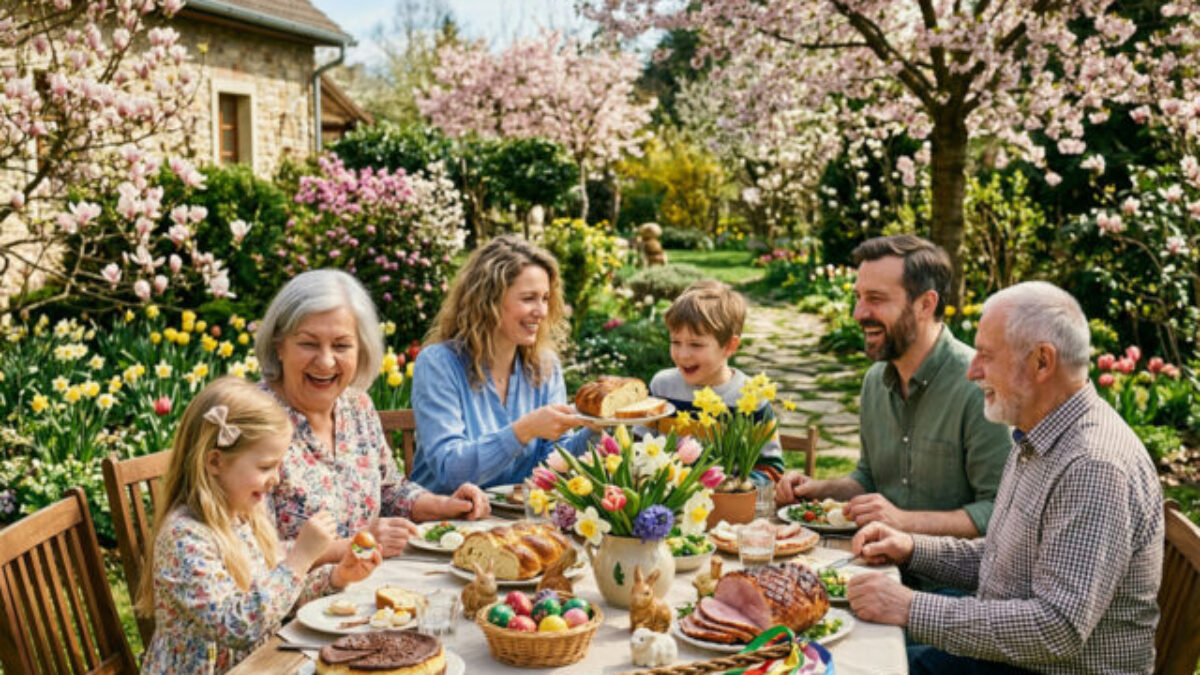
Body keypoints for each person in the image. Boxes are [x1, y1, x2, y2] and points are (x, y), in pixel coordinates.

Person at [846, 282, 1164, 674]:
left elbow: (1057, 629)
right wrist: (911, 547)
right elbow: (1003, 559)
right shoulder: (1039, 435)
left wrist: (908, 606)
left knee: (861, 663)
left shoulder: (1092, 465)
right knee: (857, 644)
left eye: (986, 355)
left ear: (1042, 362)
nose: (972, 370)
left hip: (1044, 667)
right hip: (1015, 656)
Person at [137, 377, 382, 674]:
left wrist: (335, 577)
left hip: (259, 666)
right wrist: (300, 558)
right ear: (215, 462)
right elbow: (239, 626)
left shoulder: (242, 517)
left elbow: (274, 600)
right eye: (266, 467)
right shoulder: (184, 537)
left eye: (278, 466)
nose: (276, 479)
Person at [776, 235, 1010, 538]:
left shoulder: (979, 387)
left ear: (925, 304)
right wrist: (815, 490)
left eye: (875, 299)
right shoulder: (875, 381)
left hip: (950, 581)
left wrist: (903, 522)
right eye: (858, 297)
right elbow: (871, 478)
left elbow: (1000, 511)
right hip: (878, 560)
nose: (858, 314)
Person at [257, 269, 489, 561]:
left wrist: (443, 505)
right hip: (296, 601)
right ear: (279, 345)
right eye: (308, 343)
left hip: (369, 587)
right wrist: (358, 545)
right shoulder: (252, 421)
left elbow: (390, 490)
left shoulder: (357, 407)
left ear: (361, 349)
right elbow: (250, 552)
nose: (326, 361)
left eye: (341, 345)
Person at [410, 235, 594, 494]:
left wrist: (598, 425)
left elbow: (554, 461)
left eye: (545, 298)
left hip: (514, 524)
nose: (541, 311)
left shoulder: (544, 366)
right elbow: (450, 470)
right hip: (442, 523)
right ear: (489, 301)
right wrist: (524, 429)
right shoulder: (439, 364)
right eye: (529, 298)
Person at [648, 279, 783, 478]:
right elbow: (638, 448)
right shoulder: (662, 387)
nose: (683, 354)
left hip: (730, 506)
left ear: (730, 346)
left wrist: (733, 487)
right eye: (675, 342)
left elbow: (772, 471)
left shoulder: (751, 398)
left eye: (696, 345)